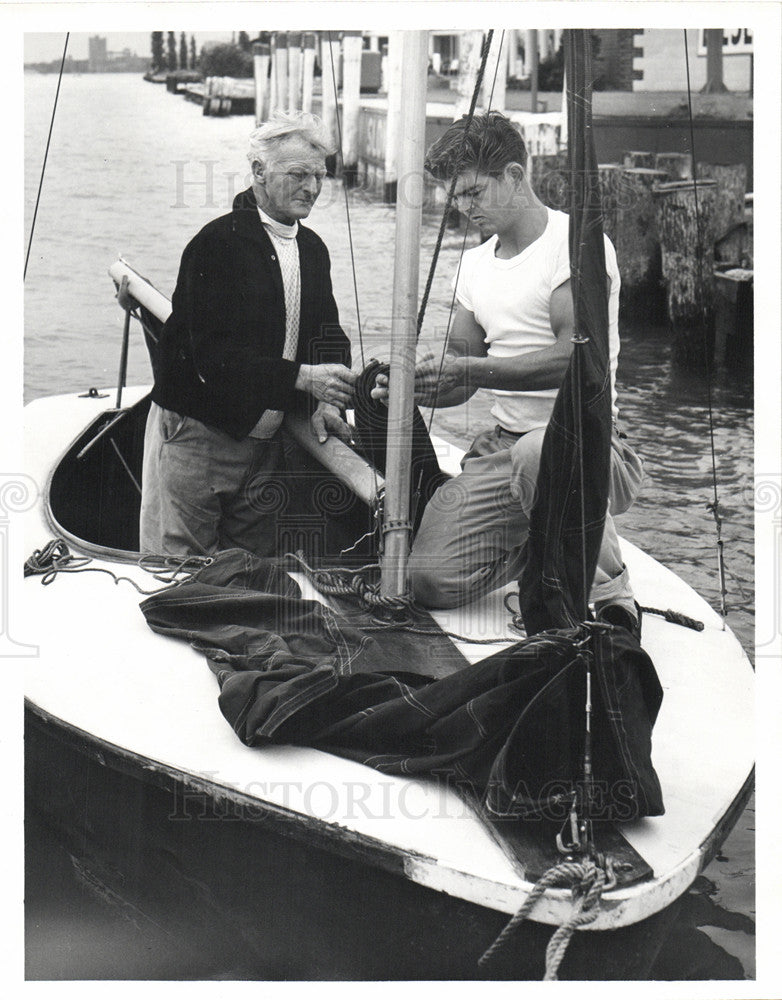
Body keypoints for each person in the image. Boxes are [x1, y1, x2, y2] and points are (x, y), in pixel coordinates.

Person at [373, 111, 643, 636]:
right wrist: (409, 388)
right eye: (456, 197)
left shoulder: (578, 244)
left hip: (589, 447)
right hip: (504, 449)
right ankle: (539, 551)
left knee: (537, 451)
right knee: (428, 580)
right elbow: (463, 374)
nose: (463, 208)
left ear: (516, 176)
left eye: (473, 192)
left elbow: (574, 358)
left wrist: (470, 366)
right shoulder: (473, 266)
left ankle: (610, 594)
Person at [140, 111, 357, 557]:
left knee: (248, 574)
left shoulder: (312, 250)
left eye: (319, 176)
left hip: (265, 445)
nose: (312, 188)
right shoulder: (217, 244)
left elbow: (328, 336)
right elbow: (212, 357)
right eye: (298, 174)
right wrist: (300, 379)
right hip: (200, 434)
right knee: (179, 574)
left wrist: (323, 402)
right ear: (258, 171)